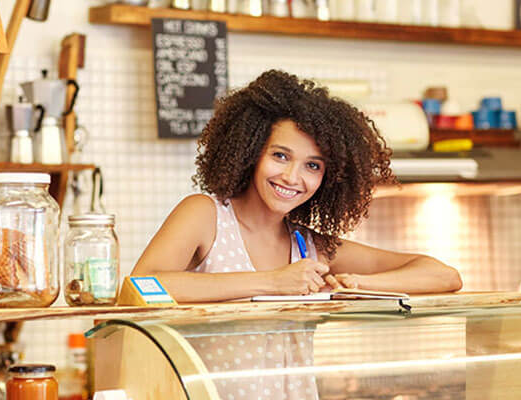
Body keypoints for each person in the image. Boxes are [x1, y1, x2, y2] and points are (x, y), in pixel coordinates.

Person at [130, 69, 463, 400]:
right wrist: (274, 282)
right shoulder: (205, 215)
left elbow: (443, 275)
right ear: (250, 151)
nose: (292, 177)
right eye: (280, 156)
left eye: (313, 165)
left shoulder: (309, 246)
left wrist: (358, 285)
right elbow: (141, 285)